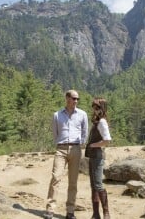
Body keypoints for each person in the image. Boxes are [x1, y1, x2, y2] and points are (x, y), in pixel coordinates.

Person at [44, 89, 88, 219]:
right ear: (67, 98)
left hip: (76, 149)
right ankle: (50, 210)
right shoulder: (57, 115)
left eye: (77, 99)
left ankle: (70, 211)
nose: (76, 101)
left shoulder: (82, 114)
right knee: (56, 177)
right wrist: (60, 144)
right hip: (61, 149)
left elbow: (85, 132)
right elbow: (55, 133)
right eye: (74, 98)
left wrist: (81, 144)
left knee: (73, 182)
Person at [85, 97, 111, 219]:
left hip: (97, 156)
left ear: (102, 108)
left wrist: (94, 145)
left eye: (97, 107)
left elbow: (107, 140)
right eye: (94, 107)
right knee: (94, 185)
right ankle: (96, 214)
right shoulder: (98, 121)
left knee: (98, 185)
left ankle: (106, 213)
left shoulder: (102, 122)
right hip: (93, 156)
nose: (94, 109)